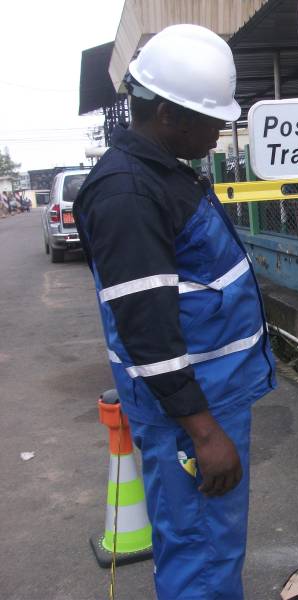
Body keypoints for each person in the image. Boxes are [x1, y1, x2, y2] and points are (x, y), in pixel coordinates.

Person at [74, 24, 276, 599]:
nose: (221, 130)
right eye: (212, 118)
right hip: (192, 412)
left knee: (208, 547)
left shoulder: (158, 173)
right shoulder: (128, 195)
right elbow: (147, 329)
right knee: (202, 557)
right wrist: (203, 432)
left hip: (207, 399)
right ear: (168, 114)